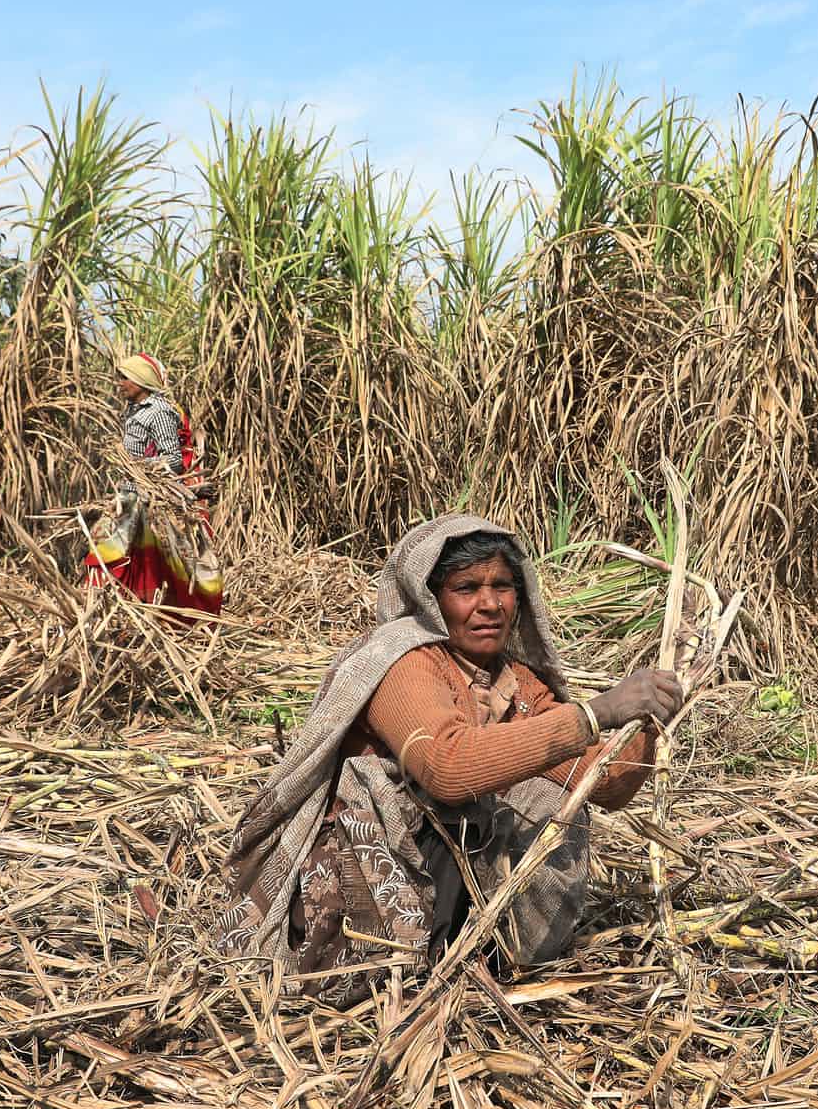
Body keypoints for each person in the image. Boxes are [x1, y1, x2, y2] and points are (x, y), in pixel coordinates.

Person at [216, 515, 683, 1004]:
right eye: (466, 588)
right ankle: (415, 967)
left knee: (546, 795)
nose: (489, 604)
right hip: (359, 902)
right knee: (470, 803)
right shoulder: (404, 664)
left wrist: (648, 717)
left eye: (503, 586)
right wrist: (595, 711)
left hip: (442, 888)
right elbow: (448, 768)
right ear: (431, 600)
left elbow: (603, 784)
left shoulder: (515, 683)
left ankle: (491, 955)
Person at [81, 352, 224, 617]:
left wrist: (139, 469)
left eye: (125, 378)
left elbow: (174, 460)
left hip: (148, 500)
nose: (119, 383)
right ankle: (114, 613)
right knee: (108, 553)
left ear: (141, 380)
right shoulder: (135, 411)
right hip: (130, 495)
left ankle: (163, 617)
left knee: (144, 562)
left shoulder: (158, 412)